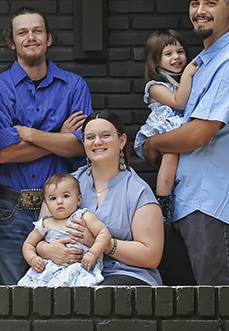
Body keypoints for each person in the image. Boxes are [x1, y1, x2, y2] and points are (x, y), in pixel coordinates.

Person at [142, 0, 229, 286]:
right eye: (195, 3)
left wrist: (154, 143)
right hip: (187, 201)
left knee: (222, 309)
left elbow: (197, 134)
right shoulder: (203, 62)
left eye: (211, 2)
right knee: (194, 315)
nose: (200, 10)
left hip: (213, 205)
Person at [0, 7, 93, 285]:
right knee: (12, 294)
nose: (31, 37)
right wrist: (59, 137)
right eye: (22, 32)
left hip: (64, 211)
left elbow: (81, 148)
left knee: (63, 290)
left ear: (49, 38)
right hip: (12, 209)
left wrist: (29, 133)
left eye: (37, 31)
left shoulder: (74, 86)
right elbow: (5, 154)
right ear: (12, 42)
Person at [40, 111, 165, 286]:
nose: (97, 142)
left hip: (125, 274)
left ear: (121, 141)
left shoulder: (138, 191)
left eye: (105, 135)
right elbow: (40, 234)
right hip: (71, 274)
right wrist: (47, 249)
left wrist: (103, 244)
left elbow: (151, 256)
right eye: (89, 137)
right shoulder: (66, 186)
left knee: (94, 298)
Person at [135, 29, 200, 213]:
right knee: (170, 156)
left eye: (180, 52)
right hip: (163, 129)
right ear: (156, 61)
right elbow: (178, 102)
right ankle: (162, 201)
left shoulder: (177, 82)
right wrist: (188, 75)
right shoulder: (155, 86)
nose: (176, 57)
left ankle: (171, 196)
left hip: (178, 130)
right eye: (168, 54)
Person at [19, 172, 111, 286]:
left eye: (65, 196)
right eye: (53, 198)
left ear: (78, 199)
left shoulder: (83, 216)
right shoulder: (45, 223)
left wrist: (93, 253)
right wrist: (32, 259)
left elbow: (104, 233)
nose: (59, 201)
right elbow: (28, 244)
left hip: (79, 269)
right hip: (48, 272)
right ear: (46, 204)